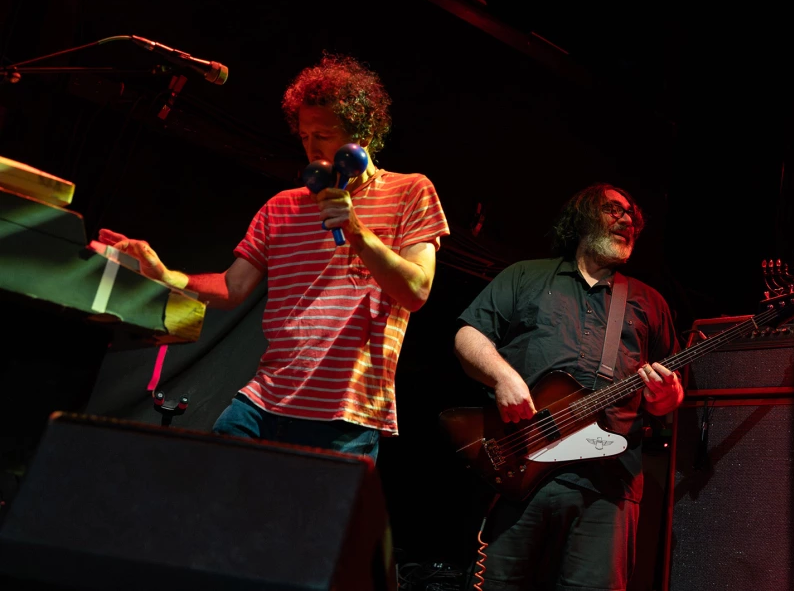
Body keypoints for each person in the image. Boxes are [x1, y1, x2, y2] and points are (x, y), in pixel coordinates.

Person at [99, 53, 450, 463]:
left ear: (364, 134)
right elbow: (232, 288)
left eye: (324, 134)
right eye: (304, 136)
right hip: (263, 401)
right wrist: (165, 275)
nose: (313, 149)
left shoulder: (411, 191)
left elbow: (416, 290)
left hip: (345, 417)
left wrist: (355, 230)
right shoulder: (281, 207)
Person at [453, 182, 683, 590]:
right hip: (520, 470)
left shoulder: (650, 303)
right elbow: (468, 335)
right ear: (581, 219)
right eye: (614, 210)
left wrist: (667, 398)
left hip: (609, 485)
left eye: (632, 215)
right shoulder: (526, 275)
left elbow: (668, 394)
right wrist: (503, 377)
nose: (627, 219)